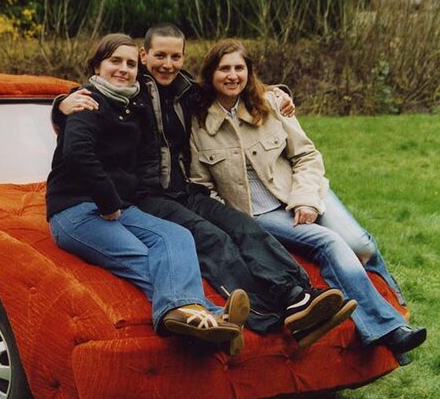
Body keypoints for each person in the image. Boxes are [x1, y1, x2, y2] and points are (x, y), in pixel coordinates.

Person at [56, 24, 351, 347]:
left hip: (186, 190)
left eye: (175, 56)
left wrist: (277, 92)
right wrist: (61, 104)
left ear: (184, 58)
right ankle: (264, 315)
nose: (167, 64)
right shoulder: (130, 93)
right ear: (145, 56)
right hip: (148, 196)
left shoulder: (188, 92)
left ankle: (298, 297)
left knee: (243, 226)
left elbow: (232, 88)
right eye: (159, 56)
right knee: (213, 239)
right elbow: (87, 107)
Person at [188, 38, 426, 357]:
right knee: (329, 243)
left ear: (249, 72)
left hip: (301, 191)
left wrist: (306, 200)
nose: (232, 75)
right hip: (259, 215)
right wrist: (237, 222)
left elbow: (306, 155)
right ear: (210, 74)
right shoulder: (199, 122)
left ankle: (399, 311)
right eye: (224, 69)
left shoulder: (271, 103)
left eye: (239, 68)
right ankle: (390, 331)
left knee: (362, 245)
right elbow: (203, 185)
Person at [46, 33, 250, 351]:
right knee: (148, 259)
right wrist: (63, 105)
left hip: (120, 208)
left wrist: (277, 94)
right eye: (114, 61)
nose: (123, 69)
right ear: (97, 66)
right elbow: (78, 154)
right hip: (75, 211)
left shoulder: (131, 102)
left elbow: (208, 94)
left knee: (178, 238)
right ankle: (211, 321)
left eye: (129, 63)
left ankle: (205, 324)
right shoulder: (87, 101)